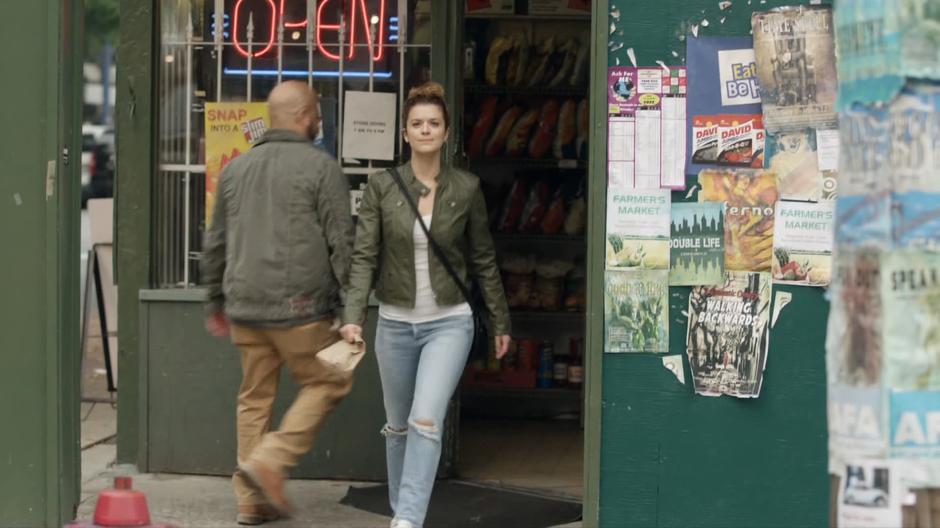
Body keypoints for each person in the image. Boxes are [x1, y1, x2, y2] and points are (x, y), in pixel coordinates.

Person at [339, 81, 512, 528]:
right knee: (398, 426)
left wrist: (500, 322)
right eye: (417, 123)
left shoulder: (467, 188)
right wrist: (354, 317)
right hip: (395, 324)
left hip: (449, 323)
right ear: (405, 133)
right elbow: (364, 257)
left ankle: (408, 521)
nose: (425, 130)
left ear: (447, 131)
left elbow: (483, 260)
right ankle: (403, 511)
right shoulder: (382, 187)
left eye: (434, 123)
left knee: (425, 421)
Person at [202, 80, 355, 525]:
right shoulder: (321, 168)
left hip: (245, 307)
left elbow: (215, 243)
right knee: (330, 381)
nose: (319, 122)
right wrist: (352, 308)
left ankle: (250, 502)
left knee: (254, 399)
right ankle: (271, 461)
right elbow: (342, 242)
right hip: (301, 310)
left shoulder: (235, 169)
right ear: (307, 115)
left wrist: (214, 298)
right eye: (317, 115)